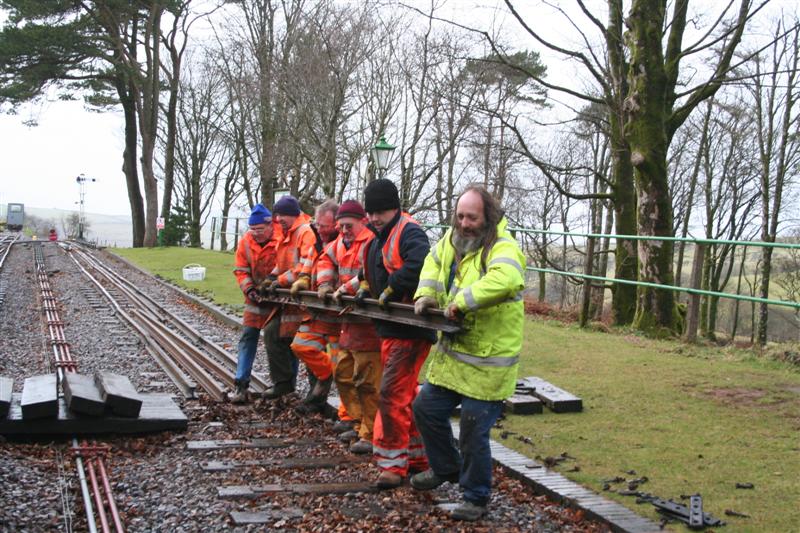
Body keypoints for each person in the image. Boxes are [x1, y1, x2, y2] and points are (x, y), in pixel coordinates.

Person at [410, 184, 525, 522]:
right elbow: (433, 264)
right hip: (456, 354)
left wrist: (461, 301)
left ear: (487, 217)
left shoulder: (503, 247)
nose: (464, 223)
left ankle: (475, 496)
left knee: (473, 430)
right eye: (460, 216)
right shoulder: (452, 240)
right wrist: (426, 295)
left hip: (489, 360)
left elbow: (506, 279)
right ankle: (446, 467)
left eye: (471, 217)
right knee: (425, 408)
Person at [358, 178, 436, 489]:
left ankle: (392, 464)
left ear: (395, 208)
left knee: (391, 395)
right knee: (404, 394)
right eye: (371, 212)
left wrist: (393, 287)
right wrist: (364, 286)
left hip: (409, 330)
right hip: (391, 329)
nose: (374, 218)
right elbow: (371, 269)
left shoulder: (409, 232)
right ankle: (417, 457)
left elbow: (420, 264)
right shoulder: (380, 237)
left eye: (380, 211)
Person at [314, 200, 382, 454]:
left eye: (348, 225)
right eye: (341, 226)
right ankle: (357, 422)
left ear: (362, 222)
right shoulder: (341, 244)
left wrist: (347, 288)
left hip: (368, 325)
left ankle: (370, 432)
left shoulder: (371, 242)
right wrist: (324, 284)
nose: (343, 230)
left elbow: (369, 273)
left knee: (367, 380)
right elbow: (324, 259)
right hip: (349, 322)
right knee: (343, 373)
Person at [288, 199, 342, 414]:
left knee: (344, 370)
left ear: (336, 224)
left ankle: (348, 417)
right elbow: (307, 265)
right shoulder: (317, 243)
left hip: (339, 317)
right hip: (317, 314)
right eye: (317, 224)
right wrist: (302, 279)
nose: (319, 229)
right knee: (300, 346)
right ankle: (326, 375)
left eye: (324, 226)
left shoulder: (344, 243)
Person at [261, 195, 317, 399]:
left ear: (293, 214)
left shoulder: (305, 232)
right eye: (277, 215)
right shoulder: (287, 233)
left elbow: (305, 265)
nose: (278, 219)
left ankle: (316, 391)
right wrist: (271, 277)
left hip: (305, 303)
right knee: (272, 332)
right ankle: (283, 382)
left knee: (309, 344)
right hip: (291, 302)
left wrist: (280, 280)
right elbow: (283, 263)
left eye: (282, 215)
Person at [230, 204, 279, 403]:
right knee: (248, 337)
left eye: (260, 229)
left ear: (270, 226)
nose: (256, 233)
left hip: (278, 301)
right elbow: (241, 270)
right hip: (254, 300)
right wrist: (249, 289)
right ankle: (241, 384)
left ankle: (283, 386)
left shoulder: (281, 240)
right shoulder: (245, 242)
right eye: (253, 229)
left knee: (280, 342)